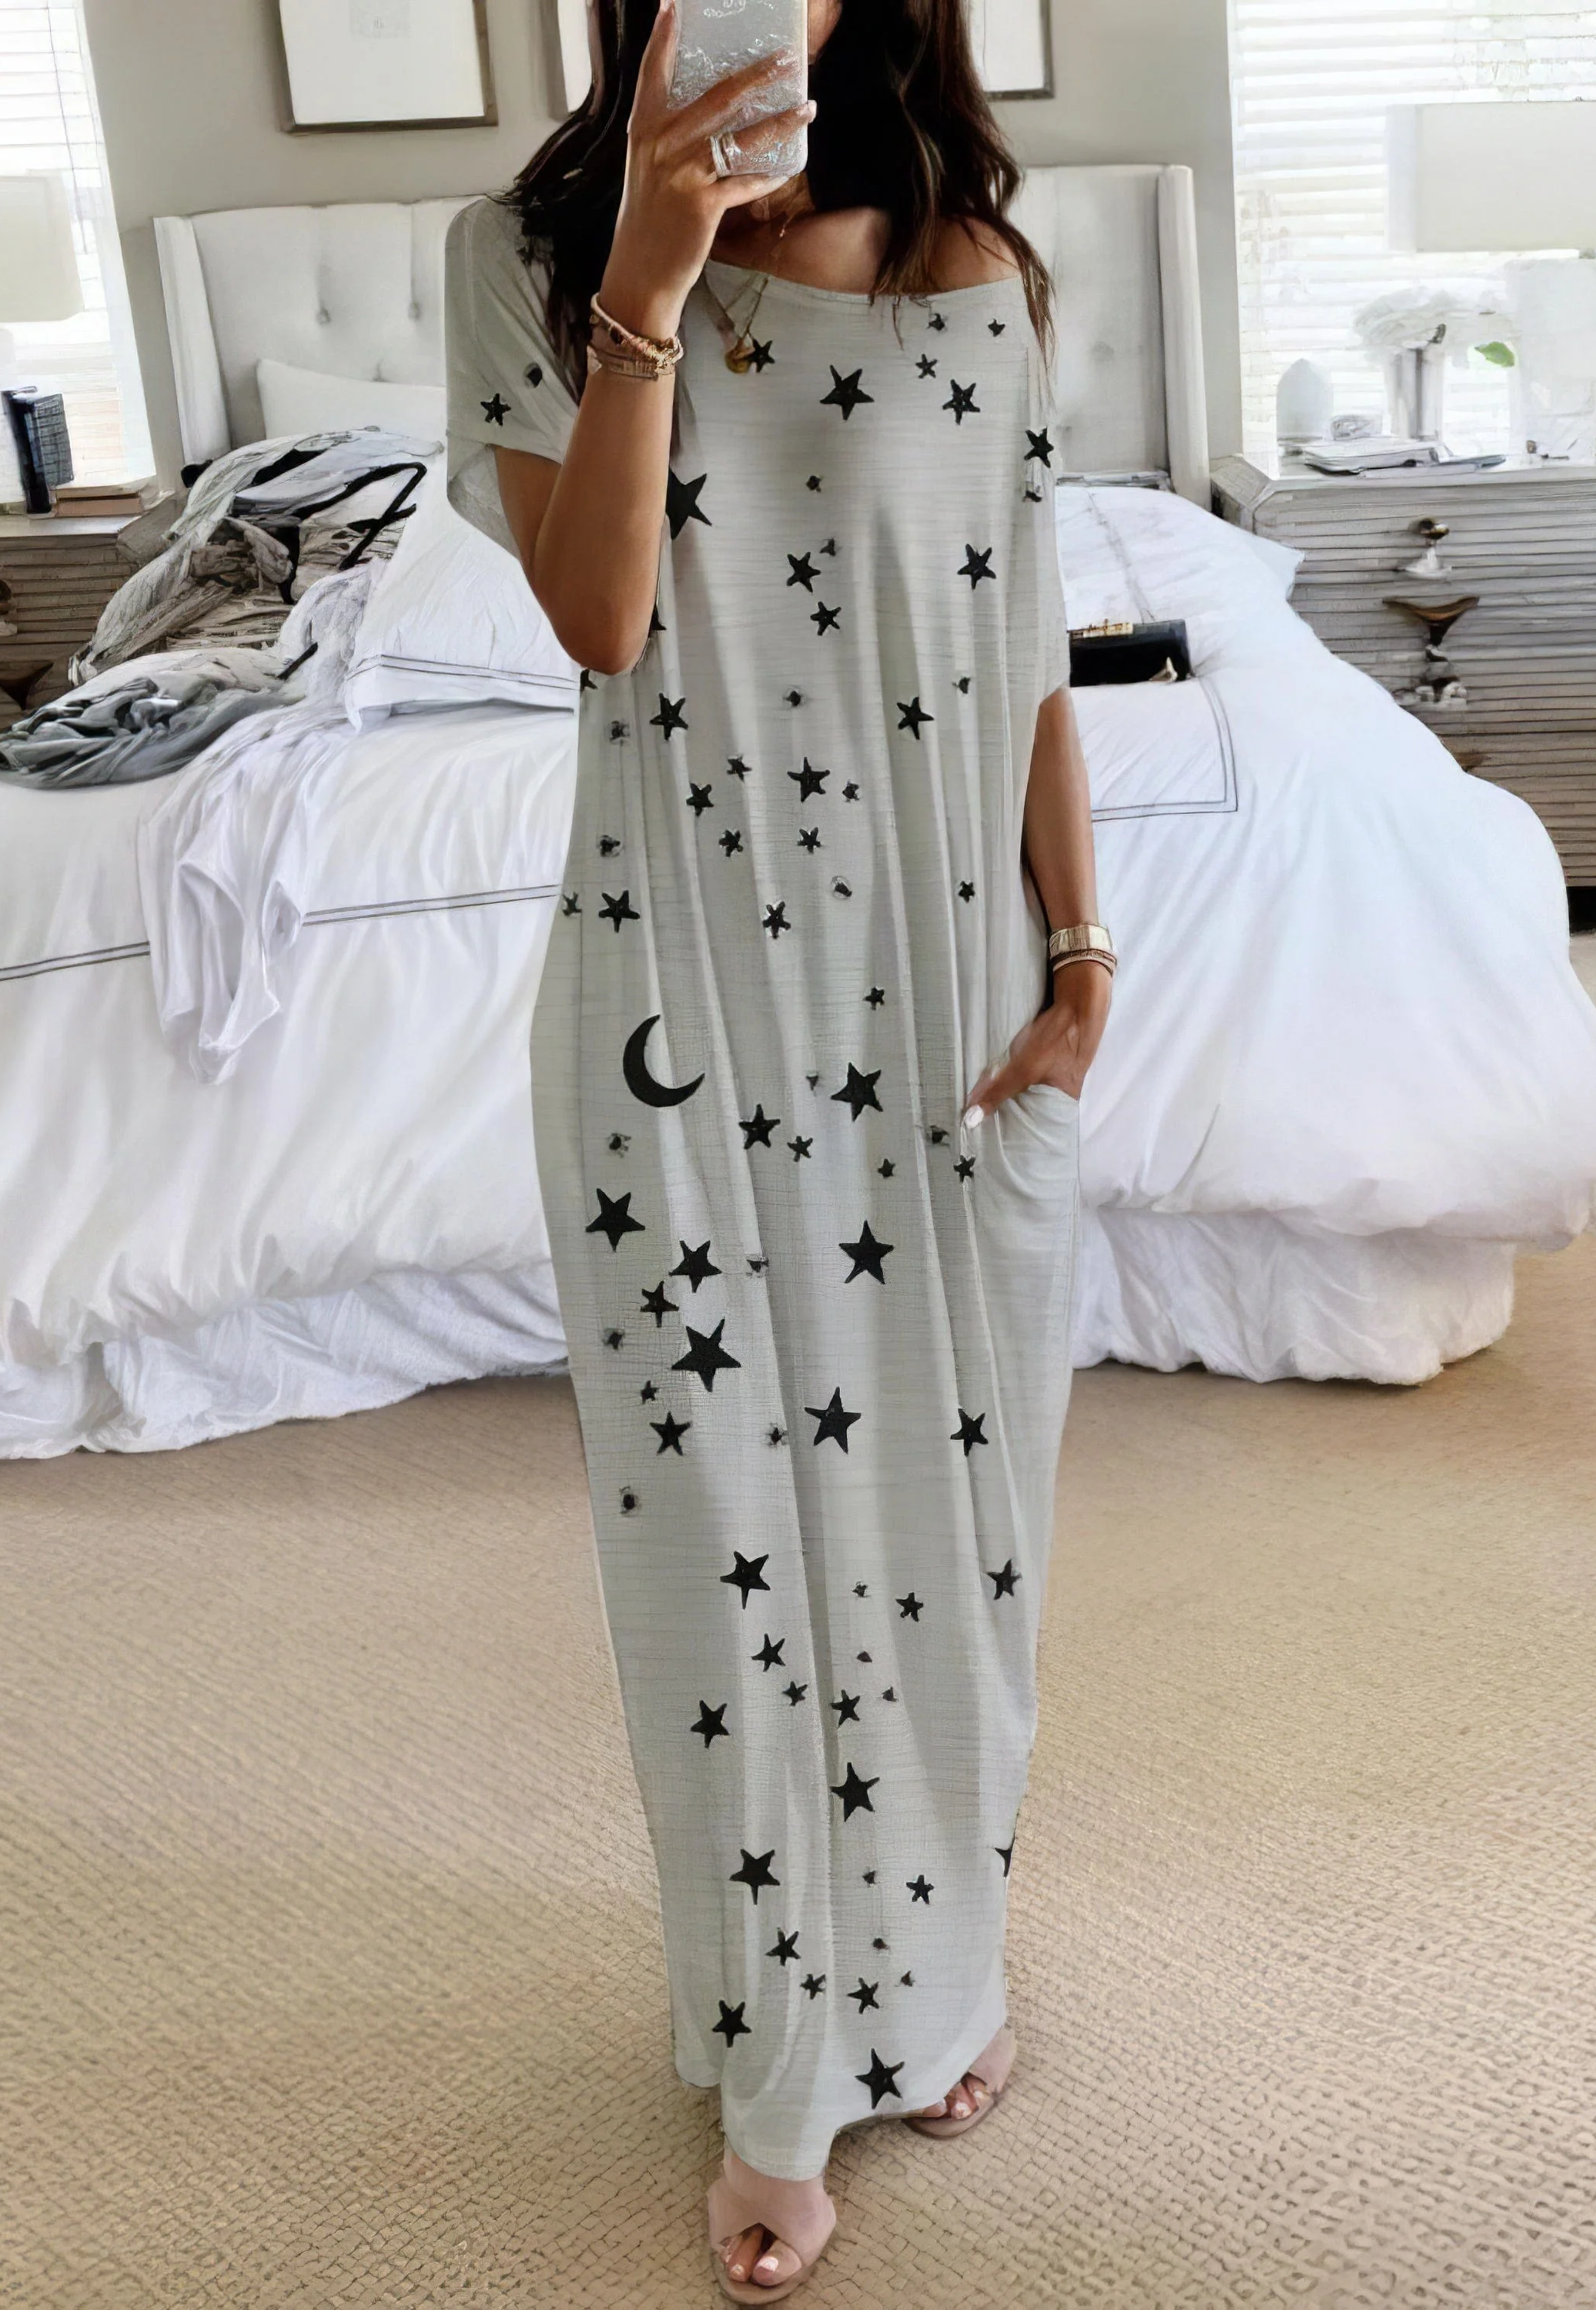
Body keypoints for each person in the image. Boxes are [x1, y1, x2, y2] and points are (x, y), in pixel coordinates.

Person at [446, 0, 1111, 2292]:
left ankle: (936, 1982)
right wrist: (648, 265)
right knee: (727, 1534)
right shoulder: (525, 256)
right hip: (685, 992)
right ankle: (774, 2066)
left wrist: (1084, 962)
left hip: (950, 1004)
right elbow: (601, 616)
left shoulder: (981, 265)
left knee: (961, 1528)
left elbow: (1026, 648)